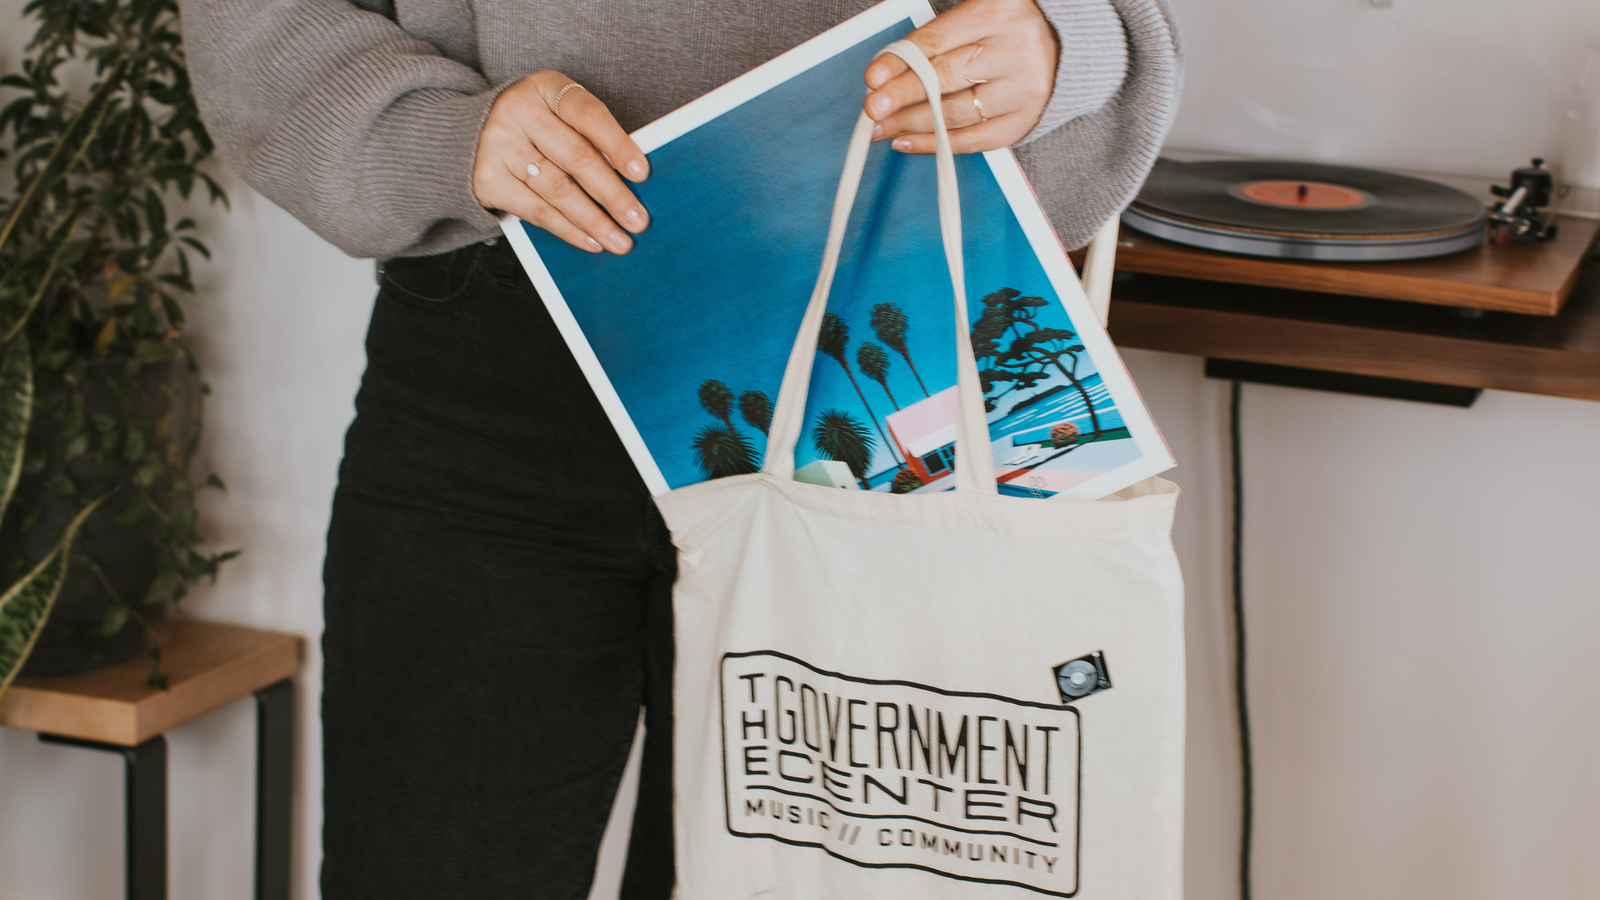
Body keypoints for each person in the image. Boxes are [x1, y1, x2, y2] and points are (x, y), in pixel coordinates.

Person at [175, 0, 1181, 895]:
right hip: (504, 340)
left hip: (883, 330)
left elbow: (1113, 20)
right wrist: (437, 130)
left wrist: (1067, 43)